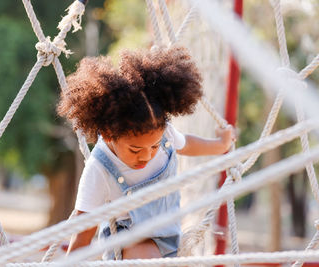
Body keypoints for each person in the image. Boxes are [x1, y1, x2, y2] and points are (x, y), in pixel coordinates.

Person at [57, 46, 235, 259]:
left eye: (154, 146)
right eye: (135, 149)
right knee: (146, 257)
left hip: (170, 233)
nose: (146, 156)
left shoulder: (164, 135)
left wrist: (220, 145)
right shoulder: (100, 169)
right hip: (130, 242)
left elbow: (188, 144)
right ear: (108, 133)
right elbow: (83, 232)